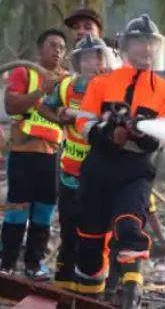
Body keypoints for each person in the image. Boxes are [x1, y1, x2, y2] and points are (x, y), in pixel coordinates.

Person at [73, 14, 165, 308]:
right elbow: (83, 123)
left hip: (136, 170)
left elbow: (161, 138)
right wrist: (110, 134)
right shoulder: (102, 84)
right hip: (99, 168)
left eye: (151, 43)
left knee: (131, 228)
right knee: (91, 240)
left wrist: (139, 135)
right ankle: (89, 297)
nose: (146, 49)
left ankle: (131, 296)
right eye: (140, 42)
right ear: (126, 46)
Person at [38, 34, 114, 291]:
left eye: (97, 58)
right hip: (69, 173)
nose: (92, 63)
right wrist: (60, 120)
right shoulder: (67, 87)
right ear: (78, 62)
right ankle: (65, 289)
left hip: (99, 177)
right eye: (87, 58)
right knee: (69, 231)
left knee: (95, 235)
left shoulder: (110, 89)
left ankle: (93, 289)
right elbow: (43, 108)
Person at [0, 29, 67, 279]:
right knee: (17, 210)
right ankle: (7, 264)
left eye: (61, 47)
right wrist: (41, 91)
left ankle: (33, 264)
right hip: (23, 153)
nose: (57, 51)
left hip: (50, 157)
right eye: (52, 45)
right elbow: (11, 106)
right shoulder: (25, 73)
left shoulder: (67, 81)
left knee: (44, 212)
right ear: (40, 49)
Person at [104, 193, 165, 303]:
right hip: (131, 241)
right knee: (130, 273)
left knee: (113, 274)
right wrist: (162, 240)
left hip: (114, 238)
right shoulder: (144, 189)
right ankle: (128, 299)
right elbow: (152, 217)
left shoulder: (113, 182)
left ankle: (111, 295)